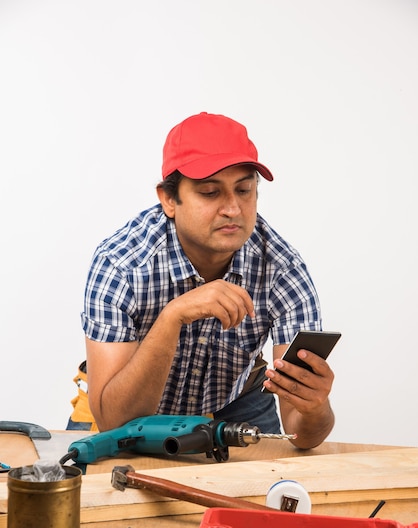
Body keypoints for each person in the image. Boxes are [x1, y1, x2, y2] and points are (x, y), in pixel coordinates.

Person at [80, 112, 335, 449]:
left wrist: (316, 408)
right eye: (211, 192)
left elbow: (300, 437)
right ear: (169, 200)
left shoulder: (283, 269)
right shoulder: (121, 264)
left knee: (267, 489)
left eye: (244, 190)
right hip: (123, 406)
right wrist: (173, 317)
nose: (233, 208)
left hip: (234, 402)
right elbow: (115, 423)